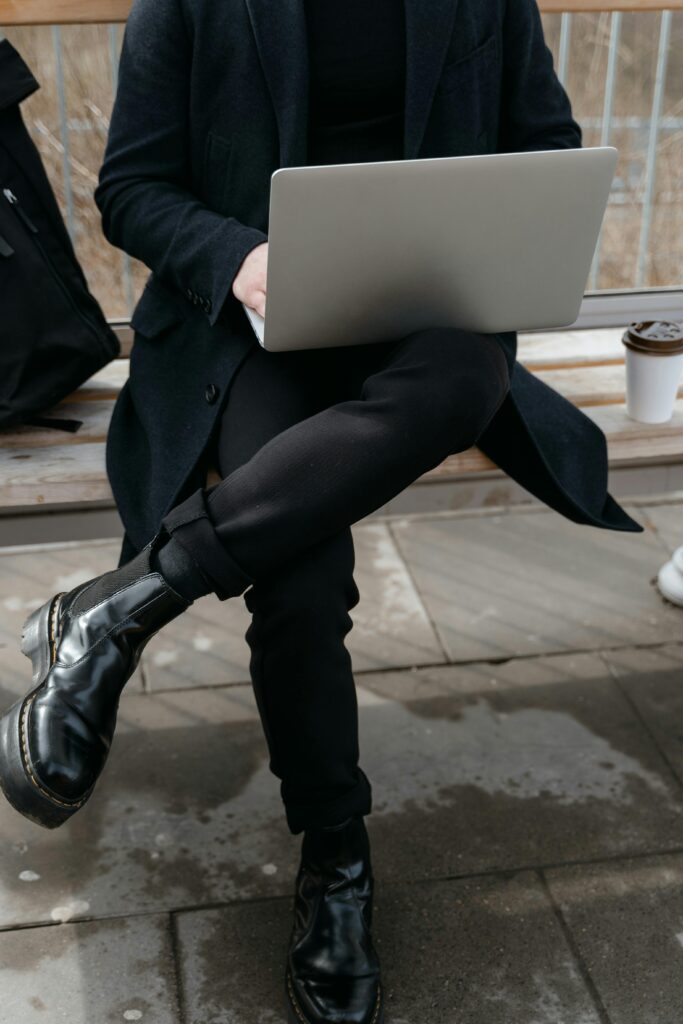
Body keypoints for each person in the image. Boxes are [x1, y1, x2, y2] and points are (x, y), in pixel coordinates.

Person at [0, 2, 644, 1022]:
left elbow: (546, 146)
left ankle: (122, 605)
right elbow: (129, 190)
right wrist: (241, 257)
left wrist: (495, 234)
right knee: (298, 570)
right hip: (251, 334)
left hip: (427, 321)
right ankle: (336, 855)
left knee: (458, 378)